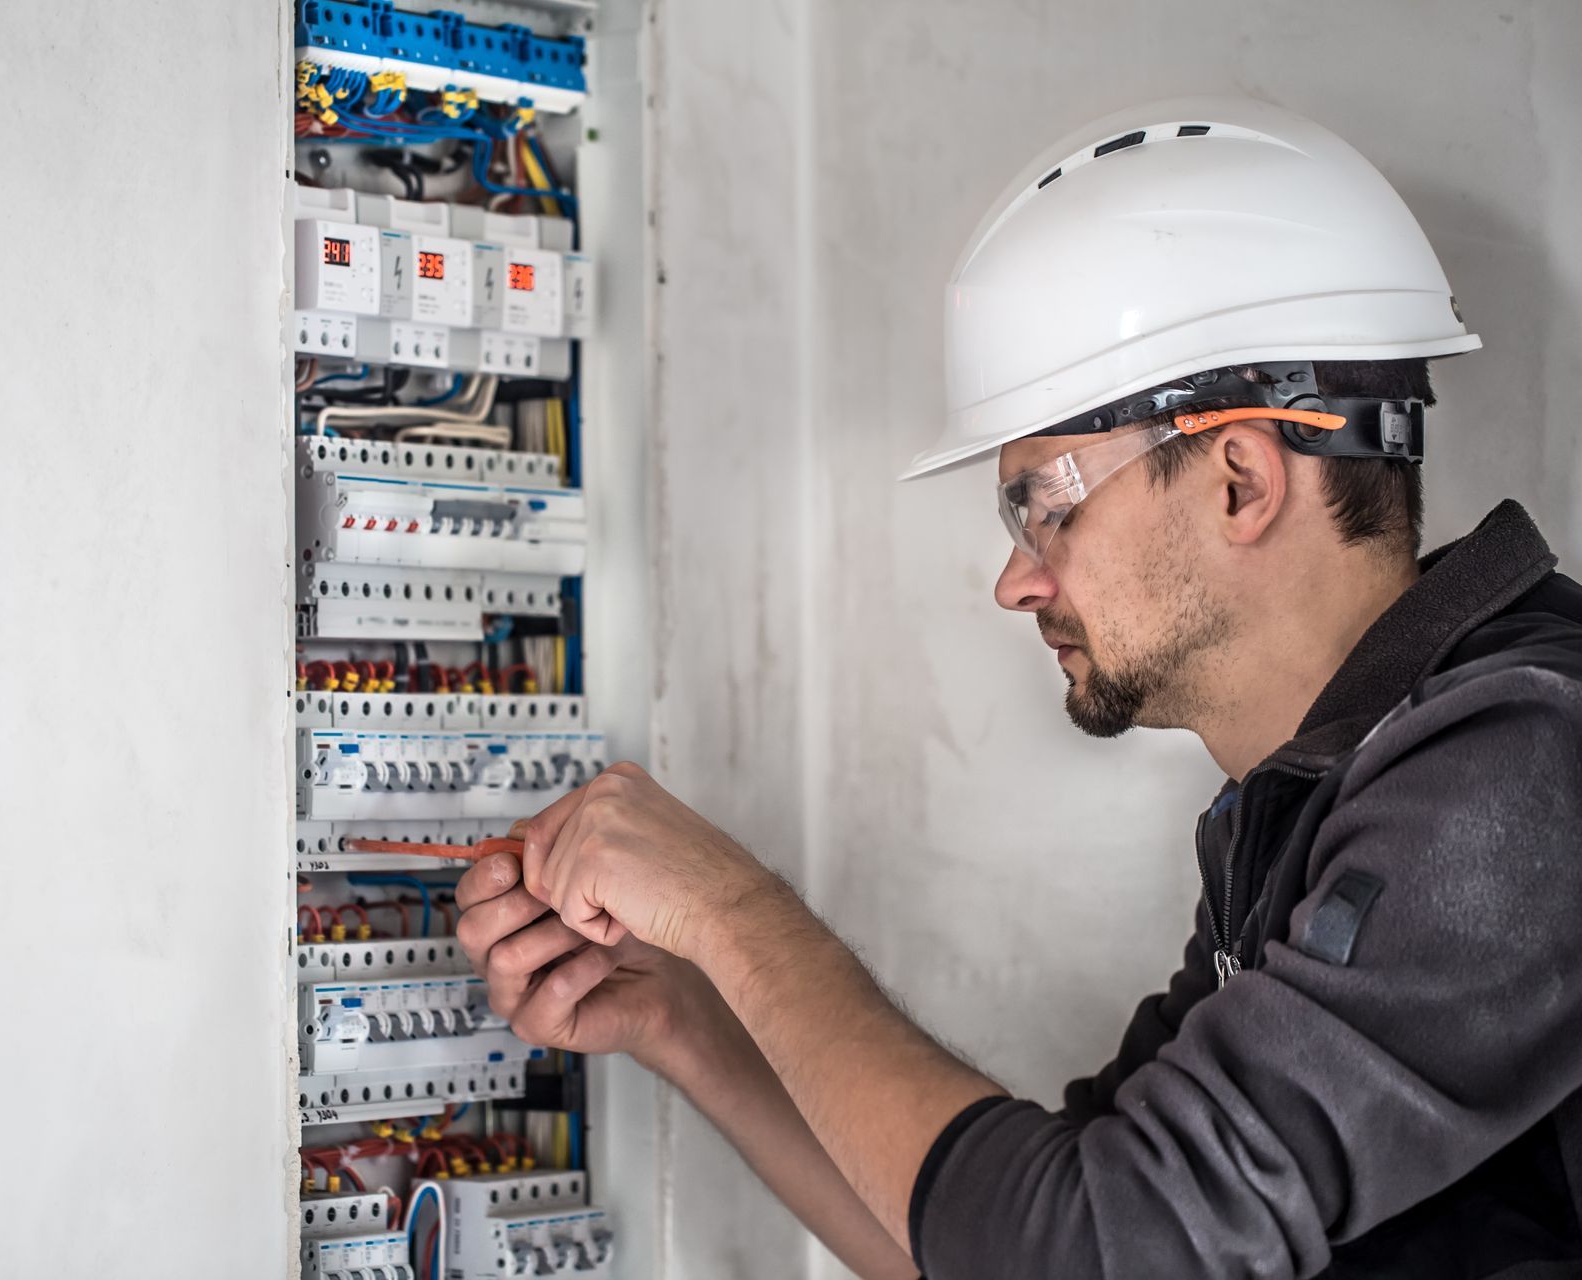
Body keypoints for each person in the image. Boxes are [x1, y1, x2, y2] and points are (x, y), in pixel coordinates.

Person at [455, 96, 1582, 1278]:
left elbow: (1096, 1249)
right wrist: (678, 1013)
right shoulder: (1315, 800)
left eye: (1048, 499)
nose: (1016, 578)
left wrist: (732, 913)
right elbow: (1015, 1241)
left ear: (1241, 479)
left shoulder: (1525, 765)